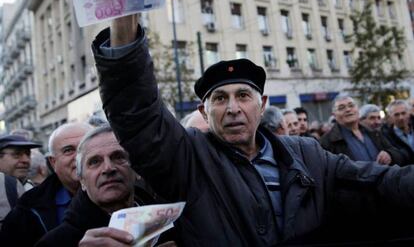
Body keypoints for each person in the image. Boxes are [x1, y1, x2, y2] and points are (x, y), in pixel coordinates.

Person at [91, 15, 414, 245]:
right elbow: (137, 112)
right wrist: (124, 20)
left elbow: (380, 180)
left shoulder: (308, 153)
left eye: (243, 96)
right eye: (219, 99)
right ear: (204, 111)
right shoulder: (187, 158)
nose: (232, 108)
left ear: (262, 105)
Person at [36, 124, 175, 247]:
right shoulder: (56, 242)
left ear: (137, 170)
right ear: (82, 180)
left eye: (118, 157)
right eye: (95, 162)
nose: (108, 168)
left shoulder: (171, 225)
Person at [0, 123, 92, 246]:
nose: (79, 157)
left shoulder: (123, 194)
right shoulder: (27, 208)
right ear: (53, 162)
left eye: (86, 147)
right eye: (68, 150)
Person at [320, 95, 407, 166]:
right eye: (341, 108)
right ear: (334, 115)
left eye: (351, 105)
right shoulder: (327, 142)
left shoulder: (374, 132)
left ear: (357, 110)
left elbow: (397, 153)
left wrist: (390, 155)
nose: (348, 109)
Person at [382, 99, 414, 164]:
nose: (401, 117)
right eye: (396, 115)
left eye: (403, 113)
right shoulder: (386, 136)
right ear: (390, 116)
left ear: (409, 113)